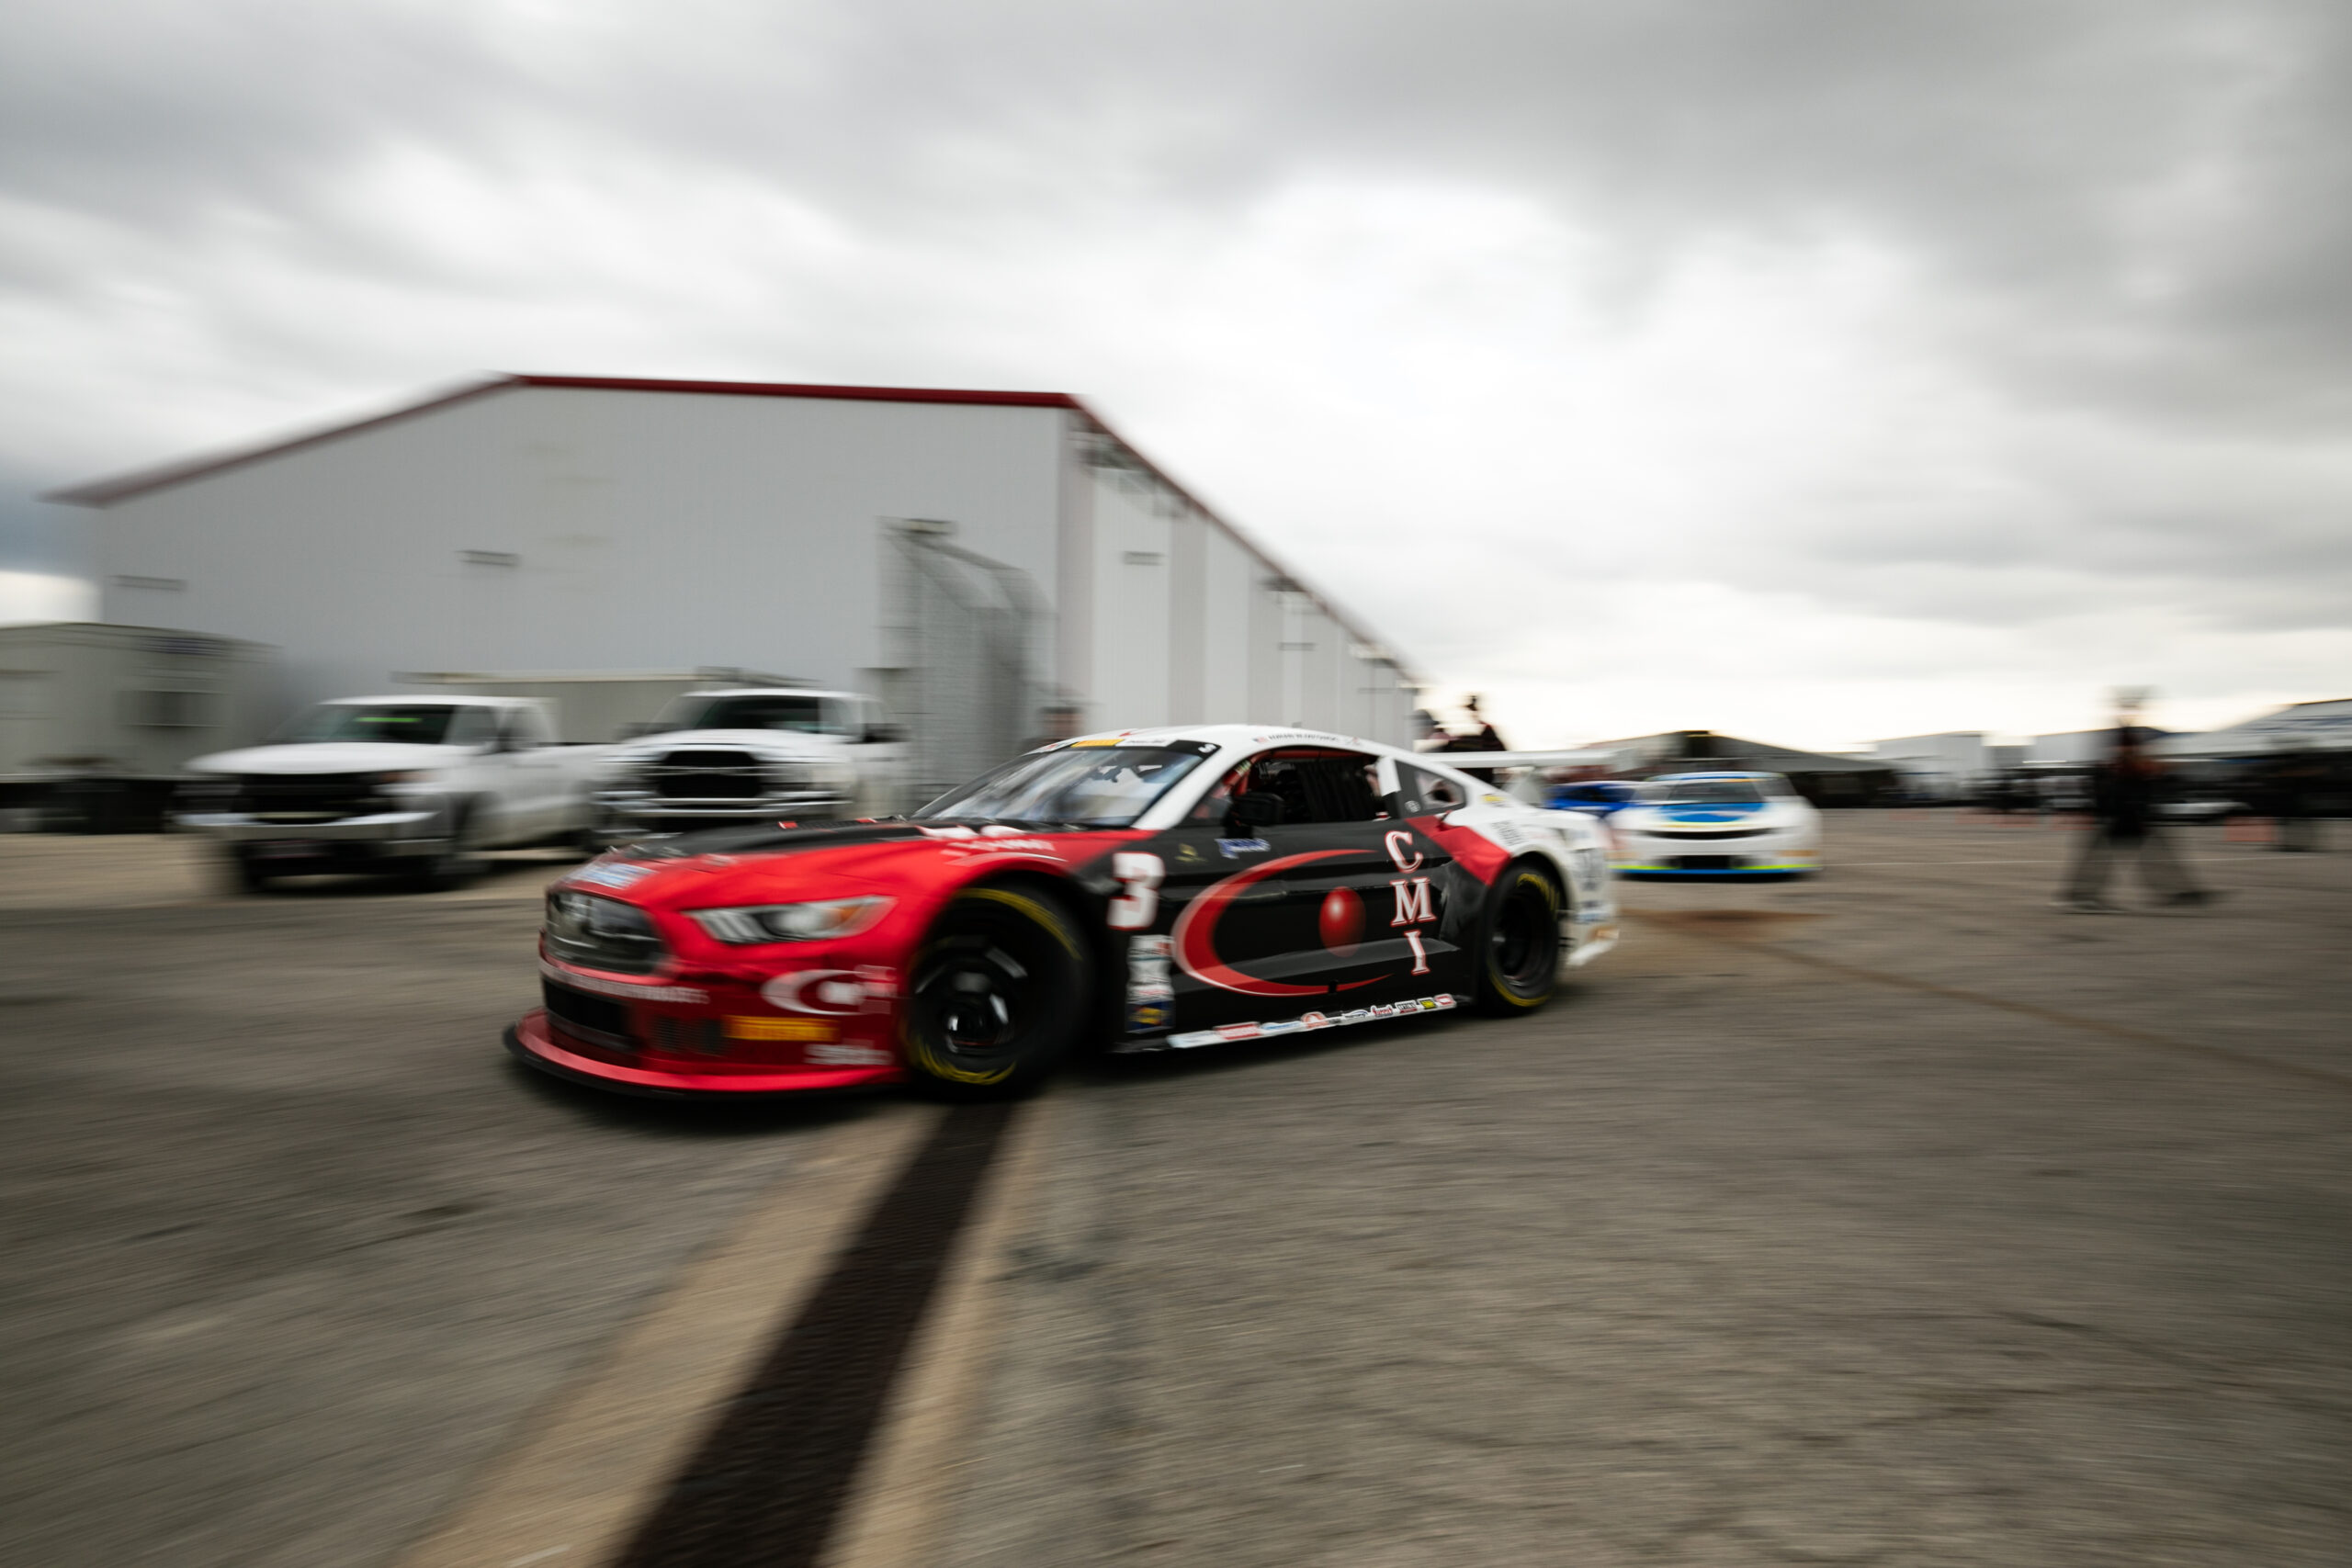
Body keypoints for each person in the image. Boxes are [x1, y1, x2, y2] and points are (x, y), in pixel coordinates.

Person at [2059, 701, 2212, 911]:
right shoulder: (2122, 769)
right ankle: (2080, 897)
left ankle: (2175, 890)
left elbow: (2139, 781)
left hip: (2126, 818)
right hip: (2123, 818)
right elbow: (2122, 790)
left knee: (2149, 856)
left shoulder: (2124, 768)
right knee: (2111, 858)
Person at [1438, 694, 1507, 784]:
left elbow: (1499, 750)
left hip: (1477, 778)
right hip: (1468, 778)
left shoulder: (1485, 731)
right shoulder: (1457, 738)